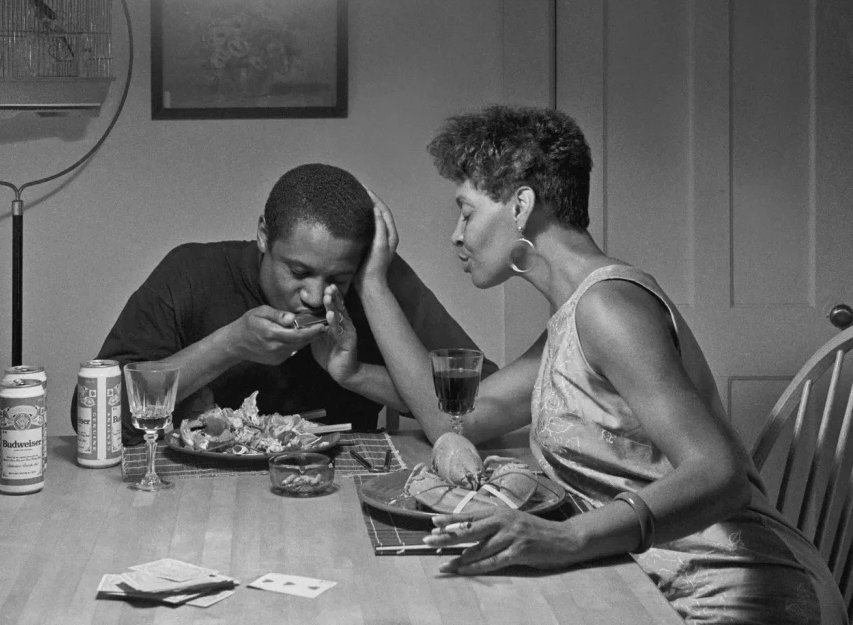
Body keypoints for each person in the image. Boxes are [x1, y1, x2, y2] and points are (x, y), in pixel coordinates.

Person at [345, 106, 845, 625]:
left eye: (467, 212)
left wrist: (567, 537)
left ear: (521, 206)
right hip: (651, 585)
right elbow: (457, 419)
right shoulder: (573, 317)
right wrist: (373, 290)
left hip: (743, 593)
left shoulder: (608, 309)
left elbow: (721, 474)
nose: (456, 234)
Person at [73, 162, 497, 444]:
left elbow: (474, 405)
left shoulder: (376, 279)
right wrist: (230, 344)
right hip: (197, 499)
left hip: (337, 495)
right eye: (297, 273)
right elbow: (92, 414)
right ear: (263, 236)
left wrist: (356, 372)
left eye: (338, 280)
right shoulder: (191, 271)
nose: (315, 295)